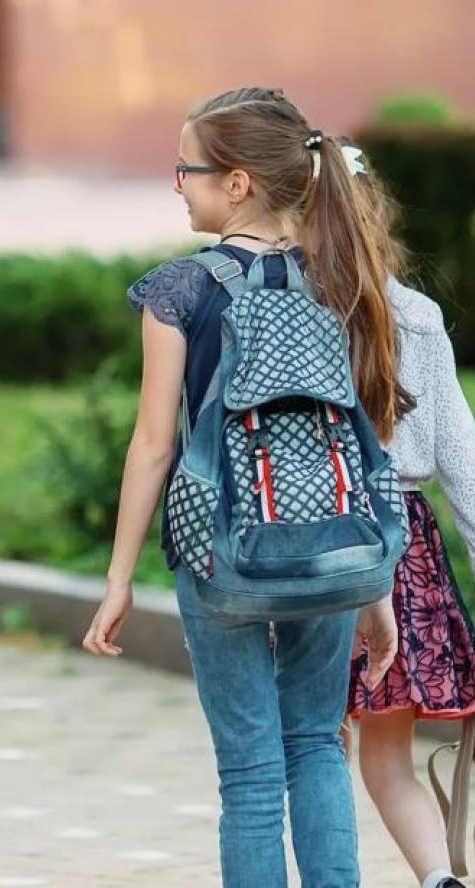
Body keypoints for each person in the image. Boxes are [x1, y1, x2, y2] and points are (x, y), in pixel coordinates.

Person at [82, 86, 402, 887]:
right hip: (332, 548)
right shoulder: (343, 280)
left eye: (185, 168)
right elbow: (362, 439)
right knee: (317, 746)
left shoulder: (180, 291)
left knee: (252, 773)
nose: (177, 183)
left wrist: (119, 579)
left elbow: (154, 445)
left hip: (222, 553)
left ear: (236, 184)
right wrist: (378, 588)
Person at [343, 156, 475, 888]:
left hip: (309, 539)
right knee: (388, 754)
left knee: (306, 742)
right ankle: (436, 879)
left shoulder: (289, 314)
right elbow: (465, 463)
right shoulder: (418, 316)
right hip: (405, 547)